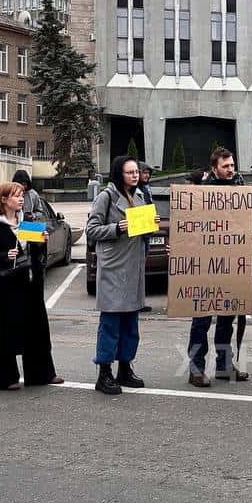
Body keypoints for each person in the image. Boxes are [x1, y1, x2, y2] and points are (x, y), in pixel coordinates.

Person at [0, 181, 63, 390]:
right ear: (4, 200)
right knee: (7, 329)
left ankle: (41, 373)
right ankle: (7, 378)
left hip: (29, 283)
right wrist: (3, 256)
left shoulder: (27, 222)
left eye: (22, 195)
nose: (21, 199)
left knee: (36, 327)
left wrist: (41, 241)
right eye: (16, 196)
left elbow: (35, 254)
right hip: (5, 286)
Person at [86, 155, 154, 395]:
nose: (135, 176)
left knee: (130, 324)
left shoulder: (140, 196)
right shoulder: (106, 196)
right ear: (119, 174)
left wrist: (150, 224)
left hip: (134, 266)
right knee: (111, 323)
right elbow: (92, 229)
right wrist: (117, 228)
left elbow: (142, 230)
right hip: (114, 268)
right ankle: (104, 372)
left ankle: (125, 368)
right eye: (130, 172)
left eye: (137, 172)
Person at [186, 147, 252, 387]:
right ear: (214, 168)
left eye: (232, 165)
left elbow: (245, 223)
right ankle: (196, 368)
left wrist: (249, 236)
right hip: (205, 266)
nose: (230, 170)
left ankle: (225, 365)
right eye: (226, 166)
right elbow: (189, 228)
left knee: (227, 318)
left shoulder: (240, 190)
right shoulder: (201, 194)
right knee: (202, 320)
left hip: (231, 265)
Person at [138, 163, 154, 313]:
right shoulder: (135, 190)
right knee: (137, 270)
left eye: (148, 173)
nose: (147, 176)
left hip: (147, 232)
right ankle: (137, 302)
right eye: (144, 173)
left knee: (141, 269)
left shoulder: (146, 189)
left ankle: (140, 301)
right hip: (138, 235)